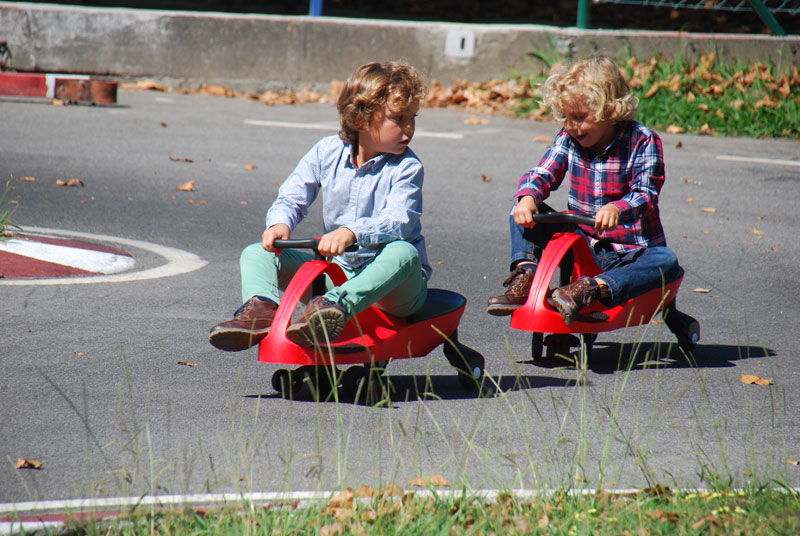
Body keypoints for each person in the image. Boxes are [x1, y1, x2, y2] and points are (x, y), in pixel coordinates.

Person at [210, 61, 430, 351]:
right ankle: (261, 311)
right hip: (339, 274)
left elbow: (399, 221)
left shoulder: (407, 167)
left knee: (404, 252)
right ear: (362, 117)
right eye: (398, 118)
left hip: (395, 289)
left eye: (413, 117)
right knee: (256, 253)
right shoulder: (327, 151)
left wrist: (351, 232)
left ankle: (330, 311)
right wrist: (280, 223)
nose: (409, 127)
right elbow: (293, 195)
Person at [487, 55, 683, 325]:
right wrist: (528, 196)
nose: (571, 126)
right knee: (520, 209)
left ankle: (589, 288)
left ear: (610, 110)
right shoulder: (568, 138)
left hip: (631, 251)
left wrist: (617, 207)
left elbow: (646, 192)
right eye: (566, 118)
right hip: (583, 243)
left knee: (666, 260)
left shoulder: (642, 140)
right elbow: (544, 171)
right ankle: (526, 276)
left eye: (580, 117)